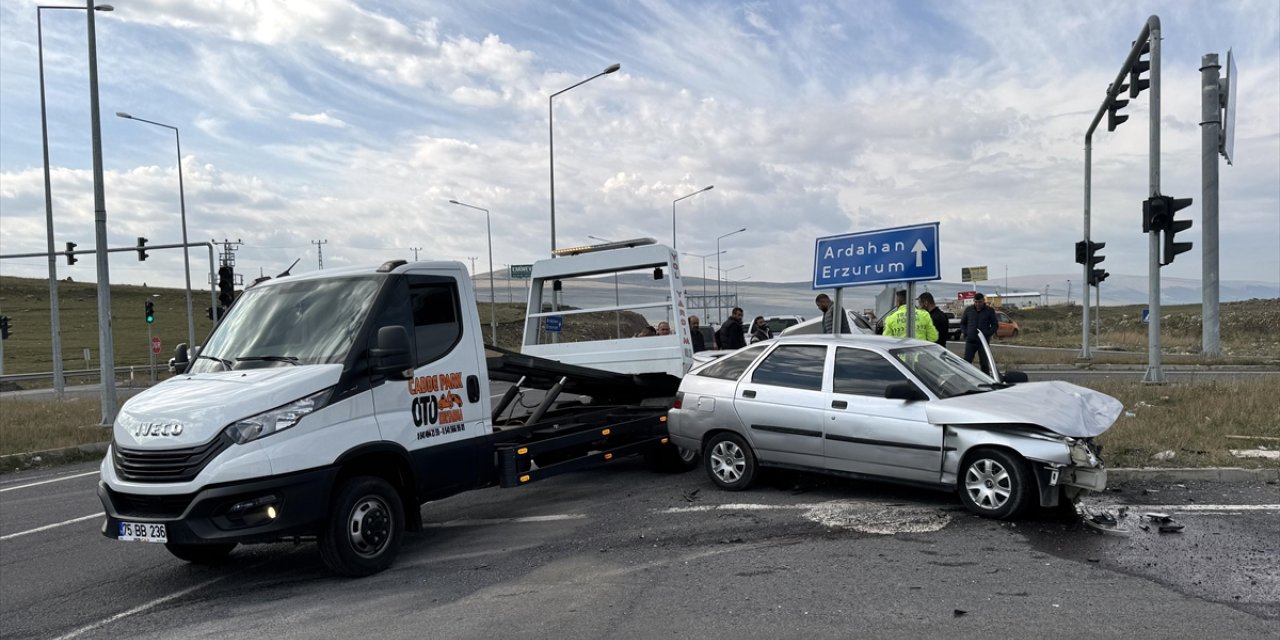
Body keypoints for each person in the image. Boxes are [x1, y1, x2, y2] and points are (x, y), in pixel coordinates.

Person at [960, 293, 998, 372]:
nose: (977, 304)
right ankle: (966, 379)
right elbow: (963, 323)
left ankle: (987, 381)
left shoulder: (989, 310)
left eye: (980, 302)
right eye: (976, 302)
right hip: (971, 341)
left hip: (983, 342)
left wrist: (987, 333)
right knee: (967, 362)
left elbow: (995, 325)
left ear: (983, 301)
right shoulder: (968, 310)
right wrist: (966, 332)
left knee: (984, 364)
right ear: (974, 301)